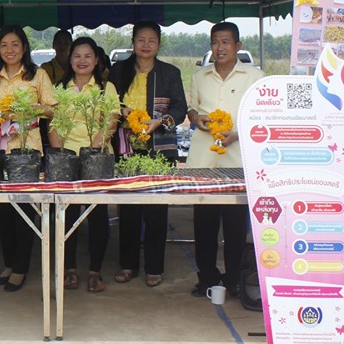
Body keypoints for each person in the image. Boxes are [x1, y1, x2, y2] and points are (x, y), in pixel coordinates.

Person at [185, 21, 264, 298]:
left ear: (238, 46)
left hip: (237, 156)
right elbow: (192, 109)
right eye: (215, 42)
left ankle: (233, 279)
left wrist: (238, 133)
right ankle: (206, 278)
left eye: (226, 42)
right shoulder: (200, 76)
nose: (220, 48)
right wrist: (197, 119)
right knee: (204, 222)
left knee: (235, 224)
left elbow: (261, 117)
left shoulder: (255, 76)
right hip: (204, 158)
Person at [108, 21, 187, 288]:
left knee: (156, 209)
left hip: (159, 148)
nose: (145, 45)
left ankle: (154, 267)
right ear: (133, 42)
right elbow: (108, 102)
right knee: (128, 207)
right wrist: (123, 113)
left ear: (158, 44)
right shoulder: (118, 71)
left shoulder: (170, 73)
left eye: (151, 40)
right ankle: (128, 265)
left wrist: (159, 122)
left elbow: (180, 110)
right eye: (141, 39)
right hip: (127, 147)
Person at [0, 25, 55, 293]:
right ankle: (9, 262)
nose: (9, 50)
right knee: (3, 208)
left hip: (27, 147)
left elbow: (51, 109)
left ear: (24, 48)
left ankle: (22, 267)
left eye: (15, 44)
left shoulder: (38, 75)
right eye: (4, 45)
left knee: (24, 209)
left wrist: (24, 110)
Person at [48, 36, 118, 293]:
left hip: (96, 158)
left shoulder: (105, 88)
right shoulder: (59, 88)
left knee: (97, 216)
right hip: (66, 159)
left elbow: (109, 123)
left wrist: (91, 151)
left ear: (96, 59)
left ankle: (95, 270)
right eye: (77, 55)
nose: (82, 61)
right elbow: (53, 125)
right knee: (66, 217)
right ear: (70, 58)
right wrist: (60, 153)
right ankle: (69, 269)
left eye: (88, 56)